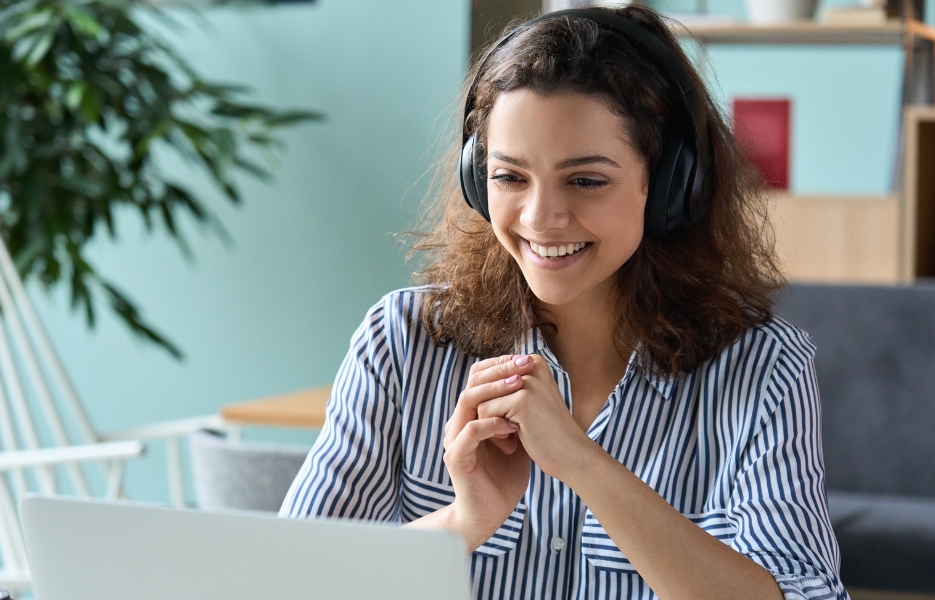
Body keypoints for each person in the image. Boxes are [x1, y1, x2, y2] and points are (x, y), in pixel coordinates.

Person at [280, 6, 847, 600]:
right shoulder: (401, 341)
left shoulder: (764, 371)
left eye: (585, 180)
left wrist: (584, 464)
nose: (541, 219)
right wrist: (462, 522)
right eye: (510, 177)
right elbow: (288, 584)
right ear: (478, 178)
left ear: (671, 185)